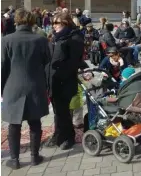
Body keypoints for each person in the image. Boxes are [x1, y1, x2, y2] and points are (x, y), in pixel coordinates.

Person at [1, 9, 51, 169]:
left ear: (16, 21)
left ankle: (15, 160)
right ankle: (35, 157)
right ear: (32, 22)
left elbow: (2, 66)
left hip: (12, 86)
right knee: (35, 122)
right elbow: (47, 64)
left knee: (14, 125)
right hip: (35, 85)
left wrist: (1, 89)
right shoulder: (41, 40)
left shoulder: (6, 40)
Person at [46, 12, 84, 150]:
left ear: (66, 23)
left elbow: (74, 62)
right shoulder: (54, 38)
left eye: (57, 23)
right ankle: (58, 134)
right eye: (53, 23)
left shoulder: (74, 38)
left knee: (64, 111)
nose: (54, 26)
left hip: (65, 81)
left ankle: (68, 137)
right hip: (52, 80)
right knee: (57, 111)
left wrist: (61, 72)